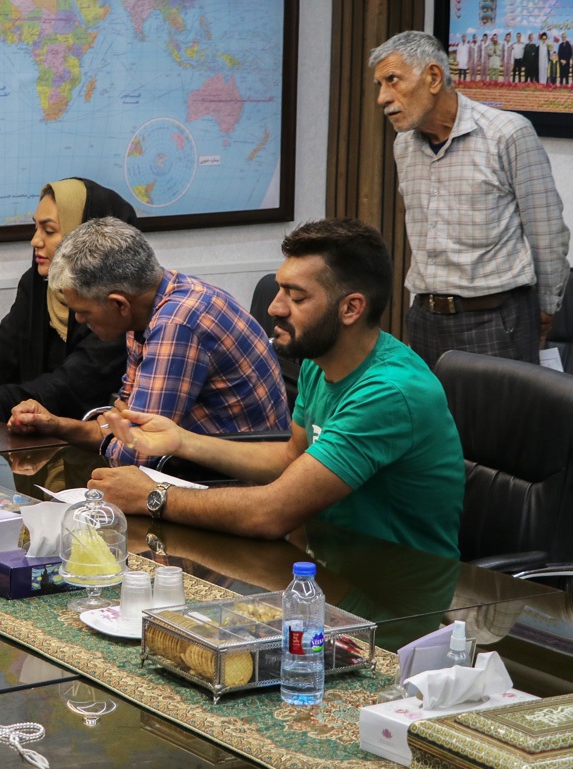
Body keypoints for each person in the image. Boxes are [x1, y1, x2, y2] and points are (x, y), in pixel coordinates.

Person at [88, 219, 465, 560]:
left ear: (351, 309)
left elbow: (271, 513)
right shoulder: (320, 362)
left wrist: (152, 497)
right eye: (280, 289)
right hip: (325, 568)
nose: (274, 307)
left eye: (296, 297)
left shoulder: (388, 392)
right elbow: (291, 457)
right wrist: (182, 441)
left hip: (399, 592)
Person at [7, 217, 289, 468]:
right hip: (192, 466)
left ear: (119, 304)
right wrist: (56, 425)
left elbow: (137, 453)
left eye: (84, 311)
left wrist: (123, 430)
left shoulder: (176, 324)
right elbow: (126, 425)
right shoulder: (149, 304)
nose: (79, 319)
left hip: (236, 481)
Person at [370, 31, 569, 368]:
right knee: (428, 405)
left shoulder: (507, 133)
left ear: (434, 77)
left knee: (501, 406)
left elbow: (546, 230)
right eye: (379, 85)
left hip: (496, 320)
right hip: (424, 318)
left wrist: (546, 309)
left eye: (392, 81)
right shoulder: (404, 145)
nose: (382, 98)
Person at [0, 178, 132, 421]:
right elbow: (3, 352)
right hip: (33, 428)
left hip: (88, 433)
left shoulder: (113, 300)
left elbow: (71, 386)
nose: (35, 241)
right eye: (36, 228)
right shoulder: (39, 283)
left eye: (49, 231)